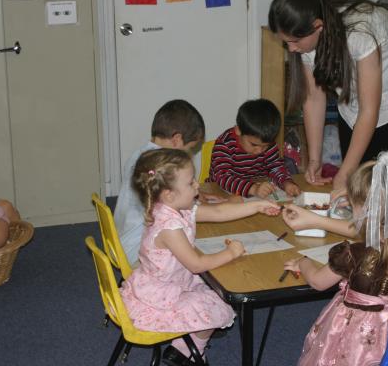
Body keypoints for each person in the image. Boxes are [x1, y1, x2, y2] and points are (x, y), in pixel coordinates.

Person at [268, 0, 388, 198]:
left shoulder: (360, 33)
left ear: (318, 26)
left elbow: (369, 110)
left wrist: (346, 172)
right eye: (286, 42)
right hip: (357, 96)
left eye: (294, 41)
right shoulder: (306, 37)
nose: (291, 49)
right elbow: (313, 98)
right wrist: (314, 160)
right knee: (360, 179)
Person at [120, 148, 280, 366]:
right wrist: (230, 253)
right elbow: (196, 265)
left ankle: (184, 344)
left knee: (217, 291)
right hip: (163, 294)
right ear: (169, 194)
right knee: (218, 305)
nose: (197, 185)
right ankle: (185, 351)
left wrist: (258, 205)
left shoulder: (175, 208)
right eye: (190, 182)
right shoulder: (169, 227)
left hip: (170, 281)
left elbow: (219, 212)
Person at [282, 151, 388, 366]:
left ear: (366, 210)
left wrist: (303, 262)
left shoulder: (354, 254)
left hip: (359, 332)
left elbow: (318, 282)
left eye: (354, 204)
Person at [115, 99, 222, 267]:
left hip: (123, 241)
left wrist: (193, 193)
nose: (188, 154)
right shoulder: (160, 167)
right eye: (189, 148)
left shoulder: (142, 156)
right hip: (138, 253)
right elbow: (204, 212)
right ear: (177, 139)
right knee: (200, 252)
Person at [208, 98, 301, 198]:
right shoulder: (224, 144)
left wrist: (286, 183)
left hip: (256, 191)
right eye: (254, 145)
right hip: (221, 193)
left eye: (265, 146)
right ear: (238, 130)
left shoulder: (267, 142)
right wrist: (253, 189)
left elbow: (275, 167)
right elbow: (222, 178)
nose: (259, 151)